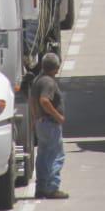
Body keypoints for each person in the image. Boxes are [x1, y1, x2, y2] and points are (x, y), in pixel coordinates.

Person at [31, 52, 67, 199]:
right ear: (55, 68)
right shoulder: (48, 82)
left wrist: (35, 118)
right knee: (56, 156)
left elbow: (31, 101)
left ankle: (41, 188)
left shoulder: (37, 80)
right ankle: (52, 188)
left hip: (41, 123)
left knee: (43, 156)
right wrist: (58, 116)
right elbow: (44, 101)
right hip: (51, 124)